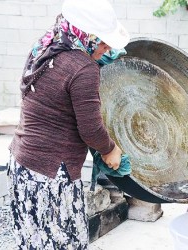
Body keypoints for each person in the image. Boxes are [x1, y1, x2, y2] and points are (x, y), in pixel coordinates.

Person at [7, 0, 129, 248]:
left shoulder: (46, 45)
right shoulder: (83, 67)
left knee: (33, 242)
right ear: (87, 35)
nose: (106, 48)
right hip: (51, 177)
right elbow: (91, 129)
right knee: (64, 242)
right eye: (103, 41)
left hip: (22, 163)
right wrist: (109, 149)